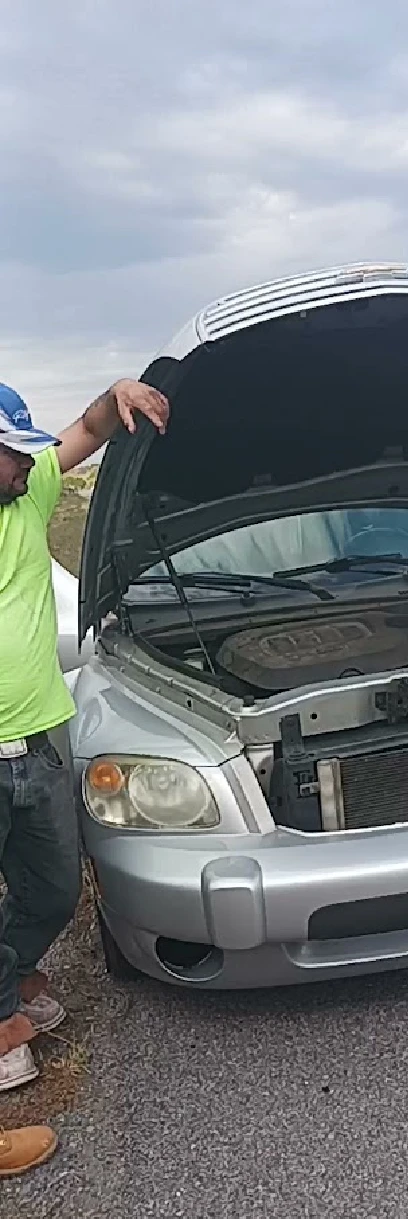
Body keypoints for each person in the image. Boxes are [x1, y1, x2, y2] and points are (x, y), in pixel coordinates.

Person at [0, 378, 169, 1097]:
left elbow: (91, 428)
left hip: (39, 737)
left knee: (55, 889)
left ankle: (10, 974)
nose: (25, 468)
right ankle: (2, 1019)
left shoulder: (29, 491)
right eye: (13, 456)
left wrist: (120, 392)